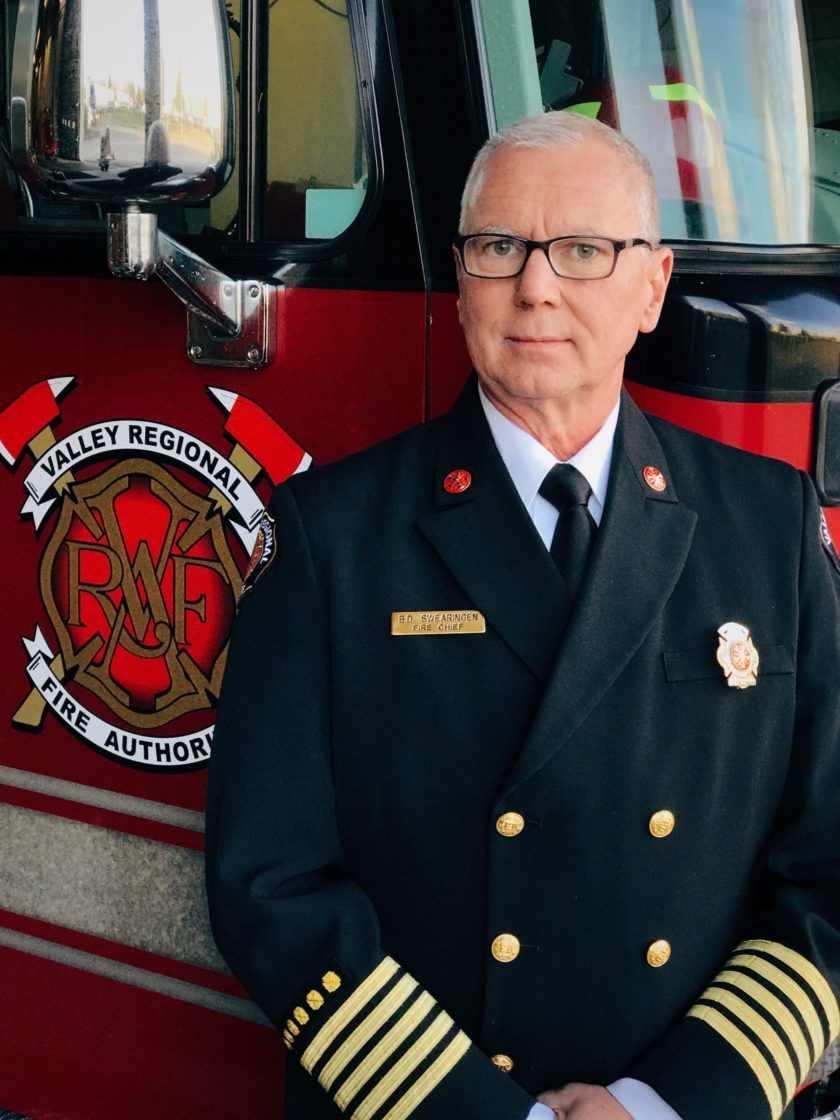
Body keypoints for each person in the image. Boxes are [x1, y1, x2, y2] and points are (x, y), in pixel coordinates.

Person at [205, 112, 840, 1120]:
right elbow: (271, 884)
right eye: (499, 247)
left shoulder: (768, 526)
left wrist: (672, 1101)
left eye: (583, 251)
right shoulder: (332, 536)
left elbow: (829, 868)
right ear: (460, 282)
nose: (536, 286)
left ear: (653, 286)